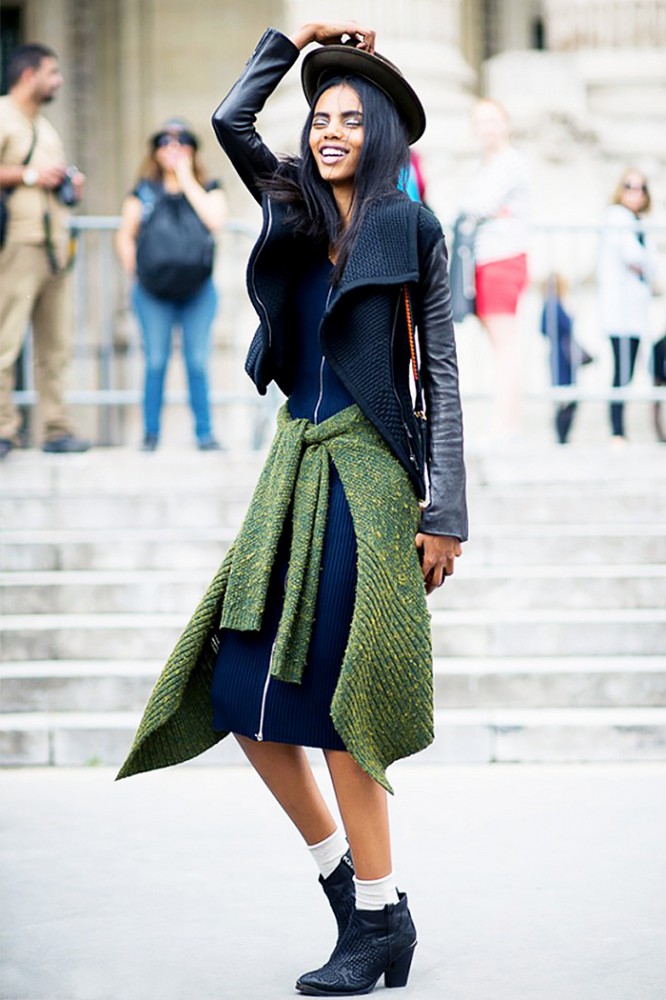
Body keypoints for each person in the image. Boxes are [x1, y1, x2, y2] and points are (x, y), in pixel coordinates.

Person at [117, 19, 467, 997]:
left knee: (347, 702)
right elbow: (231, 121)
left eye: (349, 118)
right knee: (242, 693)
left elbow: (440, 370)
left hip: (371, 475)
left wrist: (445, 510)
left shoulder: (412, 227)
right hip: (293, 467)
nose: (329, 130)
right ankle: (351, 888)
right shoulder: (294, 206)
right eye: (320, 117)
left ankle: (378, 916)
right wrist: (291, 42)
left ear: (381, 132)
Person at [0, 43, 89, 458]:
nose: (59, 81)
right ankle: (4, 429)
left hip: (55, 248)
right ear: (29, 75)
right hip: (17, 243)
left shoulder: (46, 127)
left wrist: (68, 184)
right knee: (6, 341)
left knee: (56, 347)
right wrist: (33, 175)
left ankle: (56, 429)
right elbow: (29, 176)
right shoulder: (4, 115)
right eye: (52, 73)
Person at [115, 118, 227, 451]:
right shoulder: (143, 192)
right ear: (155, 151)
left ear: (193, 150)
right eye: (165, 143)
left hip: (198, 291)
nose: (173, 148)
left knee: (197, 362)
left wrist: (186, 178)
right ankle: (150, 434)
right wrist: (136, 271)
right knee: (155, 361)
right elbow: (125, 235)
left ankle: (205, 434)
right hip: (153, 292)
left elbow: (215, 220)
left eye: (182, 142)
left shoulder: (209, 187)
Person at [457, 98, 530, 441]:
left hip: (502, 258)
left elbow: (476, 205)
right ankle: (506, 423)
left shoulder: (509, 162)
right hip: (487, 260)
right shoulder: (488, 164)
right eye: (480, 121)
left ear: (506, 123)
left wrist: (480, 211)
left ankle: (504, 425)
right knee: (500, 346)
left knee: (505, 346)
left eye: (492, 120)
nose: (486, 128)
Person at [598, 168, 659, 445]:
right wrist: (646, 261)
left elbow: (650, 263)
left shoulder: (640, 222)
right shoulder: (616, 217)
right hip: (620, 311)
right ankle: (617, 431)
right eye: (630, 186)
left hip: (633, 312)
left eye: (641, 188)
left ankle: (620, 431)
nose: (636, 193)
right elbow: (635, 256)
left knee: (628, 372)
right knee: (621, 371)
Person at [540, 273, 593, 444]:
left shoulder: (548, 305)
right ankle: (562, 437)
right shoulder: (555, 305)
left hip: (558, 355)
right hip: (562, 356)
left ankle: (562, 437)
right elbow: (566, 326)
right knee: (567, 397)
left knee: (564, 397)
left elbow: (543, 330)